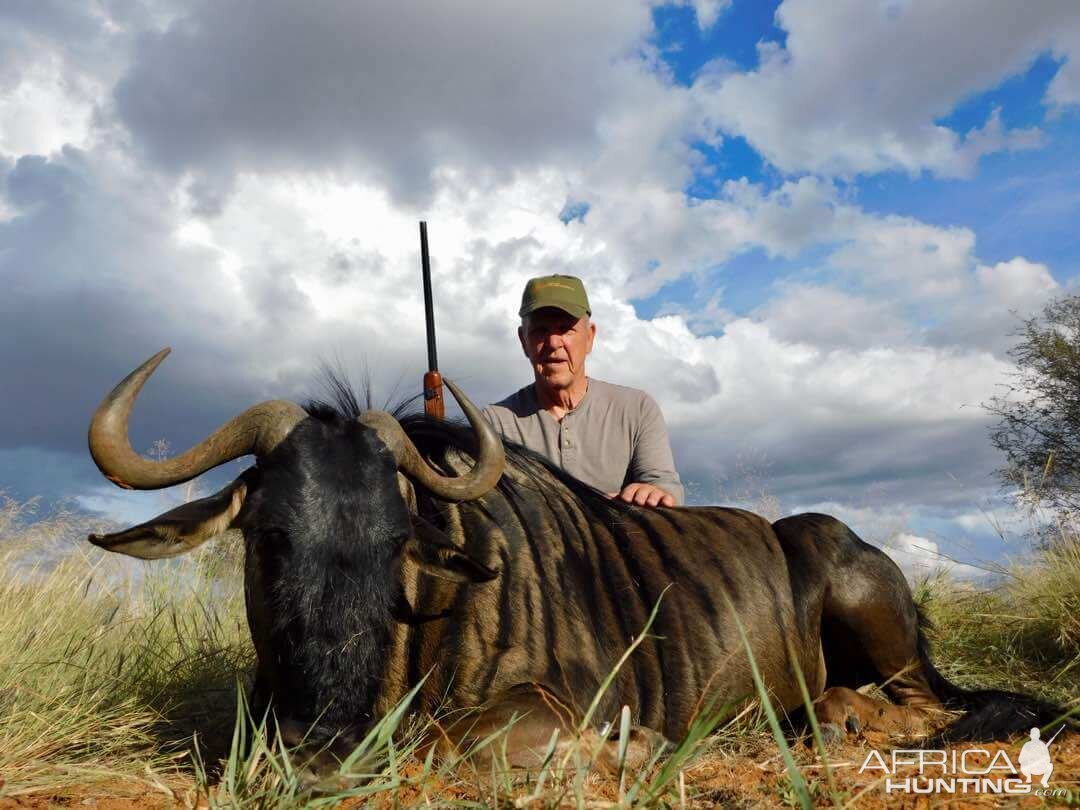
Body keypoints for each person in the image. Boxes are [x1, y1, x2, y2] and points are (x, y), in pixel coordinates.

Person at [483, 274, 684, 507]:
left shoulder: (637, 408)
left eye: (566, 329)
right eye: (540, 331)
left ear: (590, 338)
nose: (553, 343)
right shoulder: (493, 423)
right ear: (523, 340)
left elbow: (665, 488)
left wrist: (654, 493)